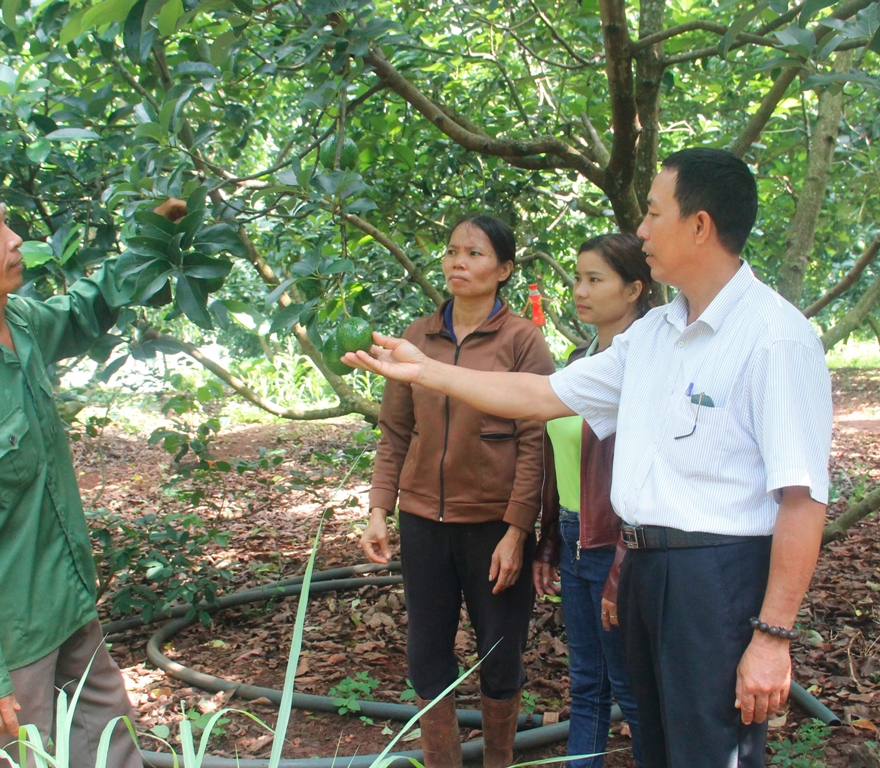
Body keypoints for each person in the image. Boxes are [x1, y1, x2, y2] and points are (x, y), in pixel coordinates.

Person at [344, 148, 832, 768]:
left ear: (700, 225)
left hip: (718, 578)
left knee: (711, 752)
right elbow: (542, 395)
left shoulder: (775, 336)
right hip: (643, 570)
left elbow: (802, 496)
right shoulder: (654, 335)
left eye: (654, 215)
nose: (643, 232)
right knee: (656, 748)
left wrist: (772, 635)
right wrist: (430, 372)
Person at [0, 165, 186, 768]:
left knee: (113, 753)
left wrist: (148, 237)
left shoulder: (19, 325)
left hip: (69, 603)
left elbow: (83, 309)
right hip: (10, 639)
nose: (16, 238)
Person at [360, 215, 555, 768]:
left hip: (494, 527)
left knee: (499, 657)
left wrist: (518, 531)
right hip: (422, 522)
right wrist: (379, 509)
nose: (458, 262)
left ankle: (498, 760)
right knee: (426, 656)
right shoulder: (417, 337)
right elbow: (396, 431)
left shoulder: (522, 340)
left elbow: (534, 442)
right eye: (451, 252)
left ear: (505, 269)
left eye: (474, 253)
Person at [533, 234, 649, 767]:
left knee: (631, 688)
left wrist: (621, 568)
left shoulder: (646, 367)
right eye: (577, 278)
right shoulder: (582, 362)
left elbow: (646, 477)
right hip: (577, 537)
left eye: (595, 279)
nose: (579, 290)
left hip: (618, 543)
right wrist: (550, 540)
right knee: (585, 684)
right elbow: (561, 460)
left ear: (634, 290)